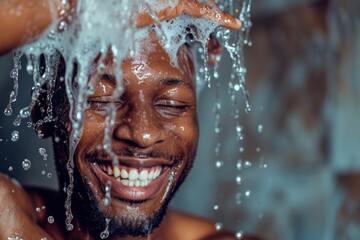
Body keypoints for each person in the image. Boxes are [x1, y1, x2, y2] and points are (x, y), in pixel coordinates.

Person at [0, 1, 261, 239]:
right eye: (103, 100)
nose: (143, 134)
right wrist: (92, 9)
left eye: (172, 104)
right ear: (44, 109)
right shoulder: (9, 221)